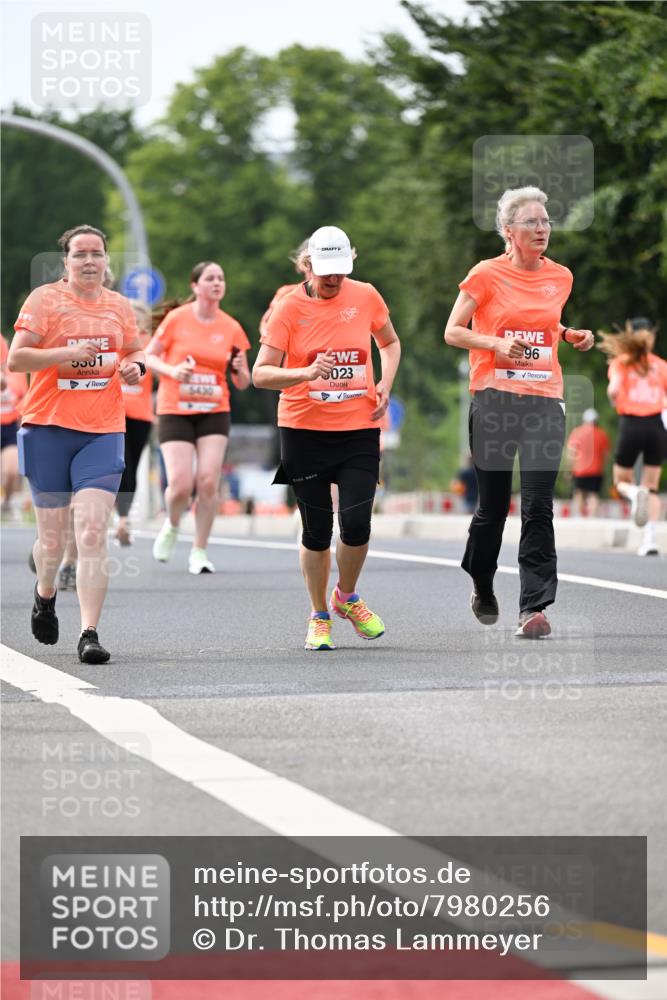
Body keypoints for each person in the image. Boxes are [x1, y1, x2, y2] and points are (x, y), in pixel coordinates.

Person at [444, 186, 594, 639]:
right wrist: (494, 343)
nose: (542, 228)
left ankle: (533, 607)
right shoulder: (485, 275)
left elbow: (545, 324)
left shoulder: (561, 277)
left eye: (545, 221)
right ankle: (482, 582)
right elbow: (453, 331)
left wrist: (568, 336)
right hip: (494, 400)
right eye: (531, 222)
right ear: (508, 231)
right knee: (492, 508)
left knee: (538, 506)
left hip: (545, 400)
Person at [253, 225, 401, 651]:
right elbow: (262, 373)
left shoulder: (366, 295)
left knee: (356, 524)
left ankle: (346, 597)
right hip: (303, 430)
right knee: (317, 531)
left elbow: (389, 344)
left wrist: (386, 384)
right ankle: (319, 615)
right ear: (307, 265)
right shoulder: (287, 308)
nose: (333, 279)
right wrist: (304, 372)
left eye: (341, 270)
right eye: (325, 271)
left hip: (358, 427)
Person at [8, 224, 145, 663]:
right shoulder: (44, 300)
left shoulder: (119, 307)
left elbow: (136, 353)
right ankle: (45, 594)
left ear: (107, 261)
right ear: (65, 262)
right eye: (80, 254)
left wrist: (134, 369)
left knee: (90, 529)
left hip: (103, 431)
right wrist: (63, 355)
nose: (90, 261)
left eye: (97, 254)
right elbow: (17, 358)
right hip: (48, 429)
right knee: (51, 540)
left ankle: (89, 632)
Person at [145, 262, 251, 573]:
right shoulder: (177, 320)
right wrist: (172, 371)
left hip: (214, 410)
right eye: (210, 278)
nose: (217, 283)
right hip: (175, 408)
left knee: (207, 481)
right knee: (179, 485)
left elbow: (243, 382)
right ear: (195, 286)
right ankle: (172, 523)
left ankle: (199, 551)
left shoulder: (231, 327)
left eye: (221, 278)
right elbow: (149, 356)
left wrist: (239, 368)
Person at [598, 317, 667, 556]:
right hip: (656, 425)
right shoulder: (661, 365)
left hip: (631, 425)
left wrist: (614, 398)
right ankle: (649, 540)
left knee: (621, 480)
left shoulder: (621, 363)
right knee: (652, 487)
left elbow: (614, 390)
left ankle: (633, 493)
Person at [114, 302, 154, 546]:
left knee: (133, 465)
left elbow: (158, 369)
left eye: (139, 318)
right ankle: (122, 519)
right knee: (121, 465)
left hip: (141, 415)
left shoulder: (149, 343)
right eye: (132, 317)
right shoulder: (116, 340)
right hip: (115, 413)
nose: (136, 322)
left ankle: (124, 516)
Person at [1, 334, 28, 518]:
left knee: (11, 471)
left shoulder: (17, 373)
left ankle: (7, 502)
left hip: (9, 427)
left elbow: (24, 401)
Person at [566, 408, 610, 516]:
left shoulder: (576, 433)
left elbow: (572, 454)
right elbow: (606, 455)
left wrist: (569, 470)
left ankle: (580, 516)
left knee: (579, 492)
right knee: (593, 494)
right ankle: (592, 517)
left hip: (579, 470)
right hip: (596, 470)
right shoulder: (602, 434)